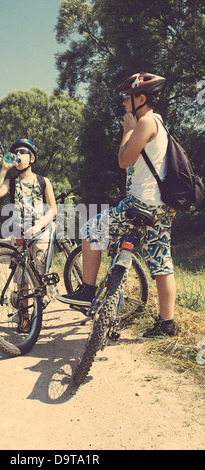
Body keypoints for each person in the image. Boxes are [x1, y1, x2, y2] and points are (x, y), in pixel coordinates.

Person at [56, 72, 178, 340]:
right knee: (161, 262)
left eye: (128, 97)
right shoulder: (160, 124)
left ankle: (87, 291)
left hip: (140, 201)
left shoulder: (145, 122)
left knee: (91, 230)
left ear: (141, 98)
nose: (124, 102)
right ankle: (166, 325)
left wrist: (127, 130)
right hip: (161, 207)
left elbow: (123, 160)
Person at [0, 139, 57, 331]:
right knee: (21, 280)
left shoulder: (43, 181)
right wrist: (4, 169)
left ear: (32, 158)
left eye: (22, 151)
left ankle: (37, 317)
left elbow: (52, 210)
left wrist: (38, 227)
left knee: (38, 278)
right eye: (15, 152)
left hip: (40, 234)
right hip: (19, 235)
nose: (18, 155)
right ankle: (24, 317)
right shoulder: (11, 183)